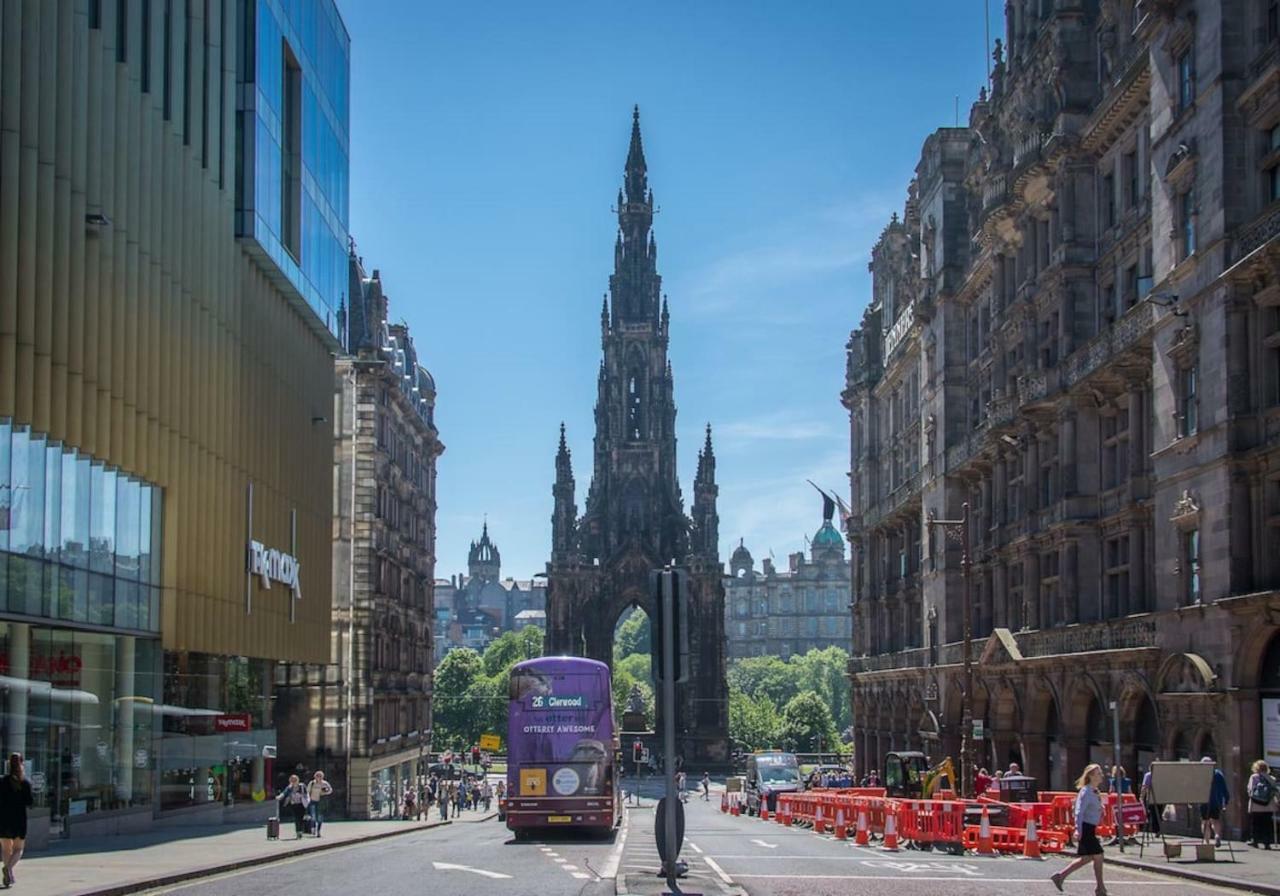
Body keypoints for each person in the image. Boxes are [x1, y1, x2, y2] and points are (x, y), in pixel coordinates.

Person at [1051, 763, 1106, 896]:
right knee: (1098, 856)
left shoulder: (1094, 791)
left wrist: (1101, 810)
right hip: (1085, 828)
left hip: (1090, 828)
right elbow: (1079, 811)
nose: (1101, 775)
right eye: (1098, 773)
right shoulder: (1086, 791)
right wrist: (1078, 829)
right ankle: (1100, 889)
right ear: (1091, 776)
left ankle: (1060, 876)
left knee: (1087, 858)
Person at [0, 754, 33, 888]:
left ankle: (8, 877)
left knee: (6, 849)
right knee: (19, 849)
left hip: (2, 819)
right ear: (21, 764)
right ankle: (8, 869)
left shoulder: (1, 781)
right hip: (18, 820)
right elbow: (30, 802)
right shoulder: (24, 782)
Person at [1247, 760, 1278, 849]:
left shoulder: (1254, 777)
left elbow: (1250, 790)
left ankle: (1255, 841)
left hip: (1256, 805)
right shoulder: (1272, 778)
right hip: (1268, 805)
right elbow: (1275, 790)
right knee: (1267, 824)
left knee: (1256, 823)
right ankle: (1267, 842)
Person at [1200, 756, 1230, 847]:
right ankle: (1217, 835)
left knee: (1205, 822)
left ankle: (1207, 841)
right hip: (1216, 801)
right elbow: (1224, 789)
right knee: (1216, 820)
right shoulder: (1218, 774)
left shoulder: (1201, 774)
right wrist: (1226, 799)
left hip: (1204, 801)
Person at [277, 774, 310, 839]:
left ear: (297, 780)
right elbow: (284, 793)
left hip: (302, 804)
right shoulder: (289, 787)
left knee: (301, 818)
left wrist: (302, 796)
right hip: (294, 804)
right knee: (296, 818)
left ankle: (300, 831)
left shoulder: (302, 786)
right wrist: (279, 797)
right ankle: (298, 832)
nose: (293, 781)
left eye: (295, 780)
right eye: (292, 780)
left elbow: (306, 794)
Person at [306, 771, 333, 837]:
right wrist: (308, 800)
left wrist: (325, 792)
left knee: (320, 817)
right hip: (313, 801)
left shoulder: (324, 783)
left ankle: (318, 831)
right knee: (313, 816)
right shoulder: (312, 783)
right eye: (317, 776)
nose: (319, 777)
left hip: (321, 801)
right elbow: (307, 791)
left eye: (320, 776)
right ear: (315, 776)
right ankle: (313, 829)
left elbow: (330, 790)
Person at [1140, 766, 1161, 836]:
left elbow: (1144, 786)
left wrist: (1142, 797)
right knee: (1158, 813)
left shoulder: (1148, 775)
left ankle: (1150, 829)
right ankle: (1157, 829)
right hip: (1159, 797)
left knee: (1151, 813)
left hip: (1150, 797)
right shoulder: (1159, 775)